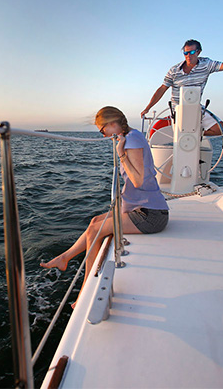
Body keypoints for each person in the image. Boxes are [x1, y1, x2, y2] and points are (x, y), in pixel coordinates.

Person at [40, 106, 169, 302]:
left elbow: (138, 181)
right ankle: (65, 258)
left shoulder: (132, 140)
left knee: (95, 232)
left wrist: (121, 153)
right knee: (94, 222)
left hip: (151, 215)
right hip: (141, 208)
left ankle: (85, 290)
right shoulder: (131, 136)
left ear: (112, 124)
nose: (103, 135)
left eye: (102, 130)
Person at [141, 39, 223, 136]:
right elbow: (162, 89)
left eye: (191, 52)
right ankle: (192, 135)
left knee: (221, 129)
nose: (188, 55)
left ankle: (197, 134)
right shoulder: (174, 70)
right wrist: (148, 107)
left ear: (198, 52)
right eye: (185, 53)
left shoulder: (206, 64)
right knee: (182, 140)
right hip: (177, 111)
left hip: (196, 108)